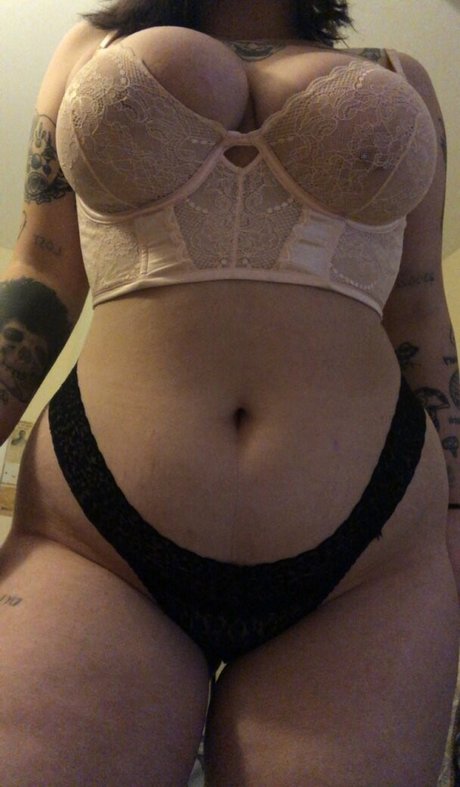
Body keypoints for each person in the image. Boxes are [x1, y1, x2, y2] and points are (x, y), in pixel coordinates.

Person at [0, 0, 459, 783]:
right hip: (95, 544)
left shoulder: (398, 77)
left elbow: (418, 303)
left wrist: (456, 511)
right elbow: (40, 269)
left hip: (372, 563)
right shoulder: (90, 48)